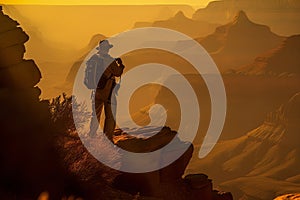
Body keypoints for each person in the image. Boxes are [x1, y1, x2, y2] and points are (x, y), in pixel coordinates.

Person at [88, 40, 125, 140]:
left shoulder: (93, 59)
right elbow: (117, 73)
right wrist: (121, 65)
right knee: (110, 116)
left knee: (95, 115)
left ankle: (91, 135)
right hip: (108, 93)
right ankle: (107, 138)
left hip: (95, 92)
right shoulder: (110, 60)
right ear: (108, 49)